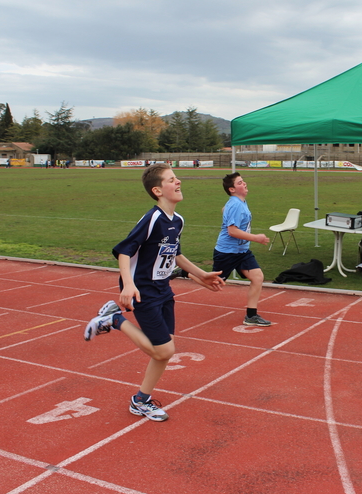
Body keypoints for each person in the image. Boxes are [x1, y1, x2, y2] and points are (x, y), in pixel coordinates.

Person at [84, 163, 225, 422]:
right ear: (158, 190)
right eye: (172, 180)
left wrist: (200, 275)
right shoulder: (152, 219)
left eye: (177, 178)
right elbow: (124, 250)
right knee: (164, 351)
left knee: (163, 349)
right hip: (143, 290)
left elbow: (175, 255)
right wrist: (128, 284)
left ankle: (141, 400)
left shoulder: (177, 220)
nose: (179, 182)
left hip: (163, 289)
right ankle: (114, 319)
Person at [213, 172, 273, 326]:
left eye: (243, 181)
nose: (244, 184)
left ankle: (251, 316)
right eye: (240, 183)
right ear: (232, 189)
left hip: (242, 251)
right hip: (227, 252)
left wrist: (227, 212)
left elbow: (224, 209)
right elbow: (232, 231)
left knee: (257, 277)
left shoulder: (238, 202)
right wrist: (256, 238)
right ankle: (186, 271)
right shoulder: (236, 204)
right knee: (214, 284)